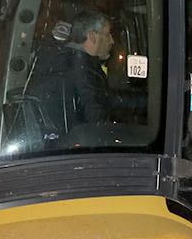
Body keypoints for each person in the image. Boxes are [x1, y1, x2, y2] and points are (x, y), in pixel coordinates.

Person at [30, 10, 141, 143]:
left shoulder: (71, 61)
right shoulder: (80, 69)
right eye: (107, 34)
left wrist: (145, 100)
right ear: (92, 36)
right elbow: (95, 122)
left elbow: (106, 97)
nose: (112, 41)